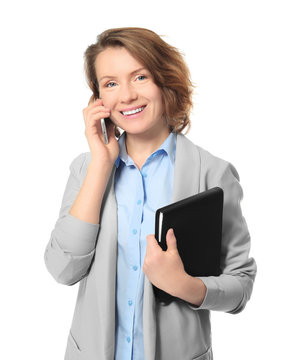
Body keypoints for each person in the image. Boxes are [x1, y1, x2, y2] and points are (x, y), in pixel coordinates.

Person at [44, 27, 257, 360]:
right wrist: (102, 165)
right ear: (98, 99)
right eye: (111, 83)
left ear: (164, 82)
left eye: (140, 77)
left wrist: (183, 284)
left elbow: (239, 286)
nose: (126, 95)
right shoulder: (86, 169)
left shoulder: (212, 173)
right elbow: (62, 268)